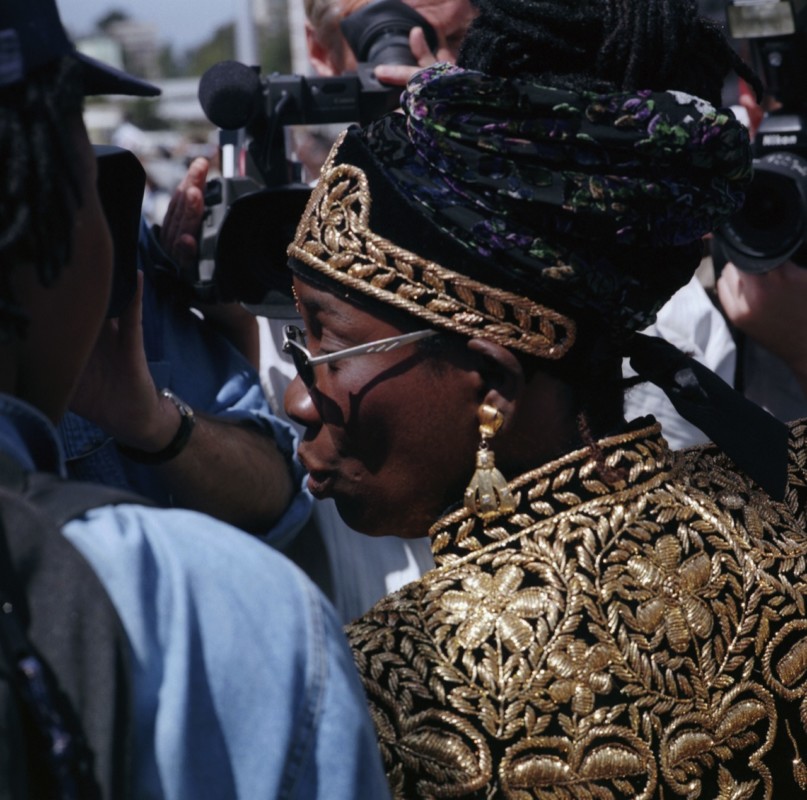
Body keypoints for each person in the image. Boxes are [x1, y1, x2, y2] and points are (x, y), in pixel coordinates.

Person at [279, 0, 807, 794]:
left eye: (326, 342)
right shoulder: (781, 501)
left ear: (491, 386)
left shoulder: (387, 689)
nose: (296, 396)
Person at [0, 1, 391, 797]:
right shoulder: (212, 615)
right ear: (43, 221)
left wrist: (150, 420)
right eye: (85, 178)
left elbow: (280, 491)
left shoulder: (134, 299)